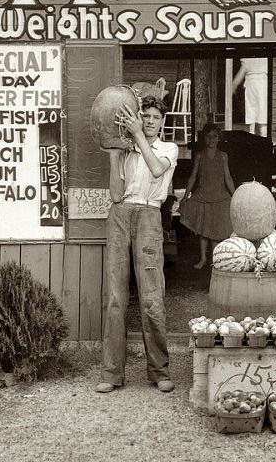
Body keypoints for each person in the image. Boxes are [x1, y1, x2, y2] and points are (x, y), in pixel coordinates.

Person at [96, 96, 179, 395]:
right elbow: (116, 196)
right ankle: (111, 373)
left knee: (152, 297)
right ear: (140, 118)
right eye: (146, 116)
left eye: (157, 117)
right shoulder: (128, 149)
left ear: (163, 122)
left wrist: (137, 138)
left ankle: (159, 371)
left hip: (148, 213)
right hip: (120, 214)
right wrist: (115, 153)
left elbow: (157, 170)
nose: (151, 121)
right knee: (116, 297)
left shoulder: (168, 148)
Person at [179, 123, 235, 269]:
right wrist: (185, 196)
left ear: (219, 138)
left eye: (214, 136)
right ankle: (203, 259)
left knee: (216, 231)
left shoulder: (223, 156)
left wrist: (235, 196)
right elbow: (193, 177)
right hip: (203, 196)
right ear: (204, 138)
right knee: (203, 231)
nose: (211, 139)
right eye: (208, 136)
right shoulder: (200, 155)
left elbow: (228, 178)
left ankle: (214, 260)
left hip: (220, 196)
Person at [233, 58, 268, 136]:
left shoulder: (248, 59)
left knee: (252, 110)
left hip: (253, 85)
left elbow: (241, 73)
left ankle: (254, 133)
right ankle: (261, 134)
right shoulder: (264, 59)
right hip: (262, 85)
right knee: (262, 111)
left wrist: (234, 85)